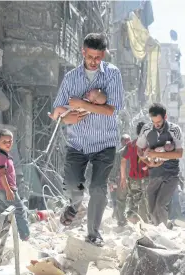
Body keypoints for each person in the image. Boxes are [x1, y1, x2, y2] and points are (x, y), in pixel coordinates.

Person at [52, 33, 124, 247]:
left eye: (98, 57)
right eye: (90, 56)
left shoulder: (112, 74)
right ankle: (74, 205)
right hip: (78, 143)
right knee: (74, 184)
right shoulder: (71, 78)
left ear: (104, 55)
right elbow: (58, 109)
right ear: (83, 52)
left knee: (98, 188)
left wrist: (80, 104)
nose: (93, 61)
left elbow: (112, 110)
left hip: (105, 143)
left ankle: (93, 233)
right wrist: (68, 116)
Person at [136, 103, 184, 227]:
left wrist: (159, 156)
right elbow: (139, 150)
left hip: (171, 173)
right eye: (153, 122)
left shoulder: (175, 129)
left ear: (165, 117)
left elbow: (179, 154)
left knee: (160, 205)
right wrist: (149, 161)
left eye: (158, 122)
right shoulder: (146, 129)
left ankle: (162, 233)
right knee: (151, 208)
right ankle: (163, 227)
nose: (156, 125)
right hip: (154, 173)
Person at [0, 129, 30, 241]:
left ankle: (0, 238)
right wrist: (8, 190)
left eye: (10, 141)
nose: (8, 144)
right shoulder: (2, 156)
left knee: (3, 215)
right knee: (19, 210)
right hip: (7, 189)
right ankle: (25, 236)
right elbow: (2, 174)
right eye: (4, 142)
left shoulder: (1, 155)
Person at [119, 122, 150, 224]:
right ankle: (142, 223)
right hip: (145, 179)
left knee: (135, 200)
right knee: (145, 201)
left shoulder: (131, 145)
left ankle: (135, 221)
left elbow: (123, 160)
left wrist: (123, 177)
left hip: (134, 179)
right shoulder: (149, 146)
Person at [110, 134, 131, 225]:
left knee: (122, 199)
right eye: (125, 140)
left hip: (129, 178)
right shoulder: (119, 153)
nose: (127, 142)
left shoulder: (131, 151)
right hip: (121, 178)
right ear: (121, 142)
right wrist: (112, 180)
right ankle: (120, 218)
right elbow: (115, 167)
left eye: (128, 140)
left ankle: (122, 218)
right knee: (118, 198)